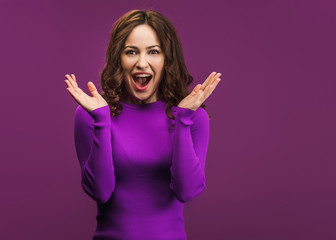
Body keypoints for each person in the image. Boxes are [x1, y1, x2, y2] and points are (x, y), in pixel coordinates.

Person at [64, 9, 221, 240]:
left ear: (167, 59)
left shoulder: (192, 117)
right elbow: (100, 191)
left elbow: (186, 191)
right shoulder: (90, 114)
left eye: (154, 52)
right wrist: (101, 121)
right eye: (131, 52)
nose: (142, 63)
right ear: (119, 58)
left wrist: (183, 119)